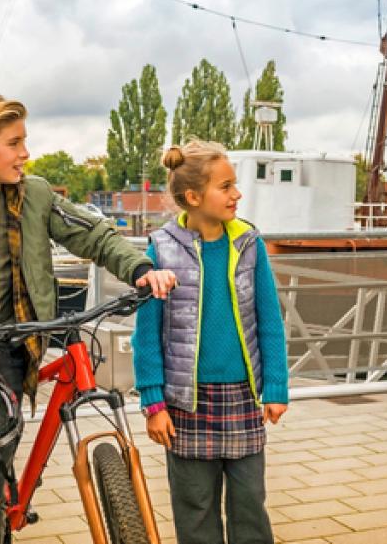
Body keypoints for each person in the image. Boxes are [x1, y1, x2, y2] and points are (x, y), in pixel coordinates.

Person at [0, 93, 177, 543]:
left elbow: (93, 235)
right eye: (14, 143)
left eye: (25, 141)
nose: (25, 154)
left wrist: (139, 270)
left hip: (8, 360)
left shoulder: (33, 195)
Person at [132, 140, 289, 544]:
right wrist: (154, 404)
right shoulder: (161, 249)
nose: (237, 194)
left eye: (235, 185)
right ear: (194, 196)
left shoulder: (249, 244)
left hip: (241, 398)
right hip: (185, 405)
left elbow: (269, 320)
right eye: (226, 186)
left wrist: (276, 387)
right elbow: (147, 334)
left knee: (249, 504)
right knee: (195, 510)